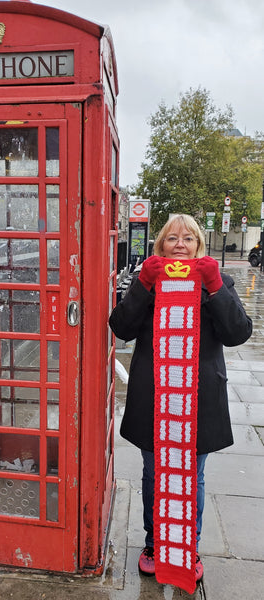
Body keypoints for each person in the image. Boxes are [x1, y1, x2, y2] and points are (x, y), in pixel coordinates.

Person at [109, 214, 252, 583]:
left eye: (188, 238)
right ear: (160, 247)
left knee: (192, 476)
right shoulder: (148, 282)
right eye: (171, 238)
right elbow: (120, 326)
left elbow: (238, 332)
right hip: (154, 396)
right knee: (155, 473)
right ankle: (155, 544)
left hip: (197, 400)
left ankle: (188, 547)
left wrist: (215, 285)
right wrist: (142, 283)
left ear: (199, 246)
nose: (179, 244)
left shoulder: (216, 283)